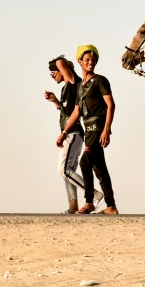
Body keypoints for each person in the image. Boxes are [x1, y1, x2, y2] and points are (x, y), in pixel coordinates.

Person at [56, 45, 119, 214]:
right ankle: (111, 206)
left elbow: (111, 105)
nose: (91, 62)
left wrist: (107, 129)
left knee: (85, 161)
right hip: (88, 129)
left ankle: (90, 202)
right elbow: (76, 112)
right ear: (80, 62)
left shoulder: (100, 80)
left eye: (93, 60)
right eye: (87, 60)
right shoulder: (80, 87)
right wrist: (64, 133)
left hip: (98, 127)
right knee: (100, 168)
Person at [44, 56, 105, 214]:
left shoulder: (73, 82)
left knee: (63, 170)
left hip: (72, 133)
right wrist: (56, 102)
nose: (52, 76)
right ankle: (73, 206)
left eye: (53, 73)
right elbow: (68, 112)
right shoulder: (65, 88)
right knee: (68, 170)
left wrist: (58, 61)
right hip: (70, 133)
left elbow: (61, 64)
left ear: (61, 70)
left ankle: (94, 194)